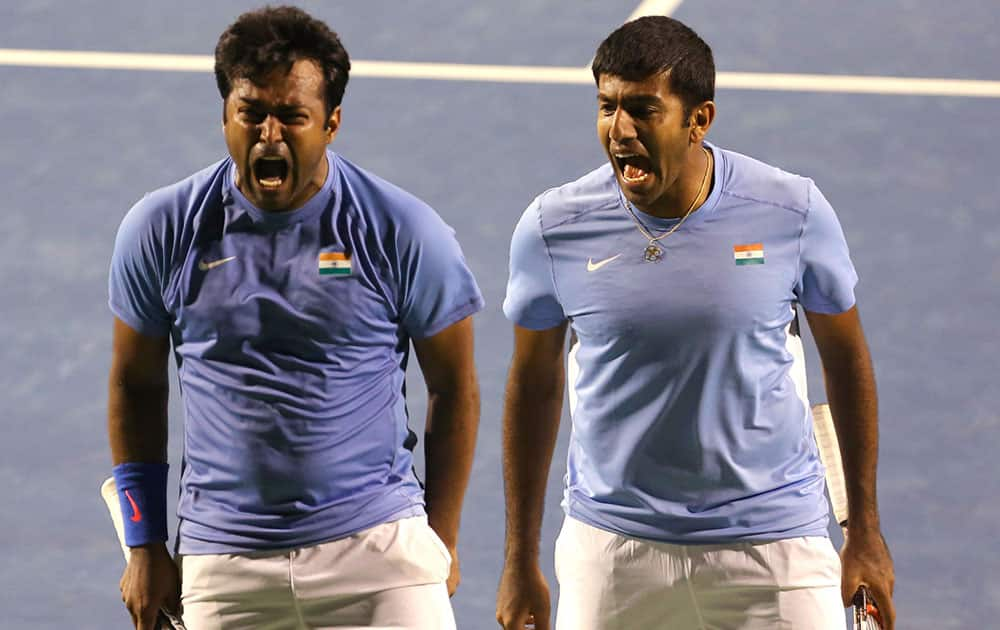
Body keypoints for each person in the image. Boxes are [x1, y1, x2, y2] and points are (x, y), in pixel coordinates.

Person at [496, 15, 894, 630]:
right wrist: (520, 559)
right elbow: (533, 386)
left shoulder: (790, 211)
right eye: (607, 107)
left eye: (643, 110)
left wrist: (864, 530)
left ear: (698, 120)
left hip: (774, 546)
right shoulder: (554, 227)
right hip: (612, 549)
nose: (619, 131)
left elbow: (846, 361)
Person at [107, 6, 483, 629]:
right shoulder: (162, 228)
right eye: (251, 113)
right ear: (225, 115)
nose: (270, 135)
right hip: (224, 561)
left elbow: (456, 386)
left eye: (292, 117)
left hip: (378, 551)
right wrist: (145, 544)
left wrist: (439, 536)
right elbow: (134, 386)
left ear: (331, 123)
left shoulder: (401, 229)